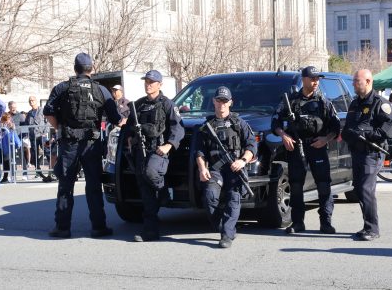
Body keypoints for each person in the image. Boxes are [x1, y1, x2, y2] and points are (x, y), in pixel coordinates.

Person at [43, 52, 126, 238]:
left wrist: (60, 129)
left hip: (69, 144)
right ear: (92, 69)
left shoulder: (62, 88)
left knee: (65, 186)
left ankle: (62, 228)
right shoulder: (101, 90)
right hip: (92, 144)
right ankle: (98, 227)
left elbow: (48, 112)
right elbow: (116, 119)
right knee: (94, 186)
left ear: (75, 68)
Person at [271, 66, 340, 234]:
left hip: (317, 147)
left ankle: (326, 222)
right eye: (313, 78)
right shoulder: (291, 100)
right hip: (296, 147)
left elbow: (336, 125)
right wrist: (283, 135)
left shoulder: (323, 101)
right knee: (295, 186)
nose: (316, 82)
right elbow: (275, 122)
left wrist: (326, 139)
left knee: (324, 185)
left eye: (318, 79)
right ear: (304, 79)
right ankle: (297, 223)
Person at [196, 86, 257, 248]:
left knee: (233, 198)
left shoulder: (239, 123)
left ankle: (227, 235)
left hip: (235, 168)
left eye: (225, 101)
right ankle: (224, 227)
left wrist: (243, 161)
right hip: (215, 169)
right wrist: (202, 168)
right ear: (213, 102)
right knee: (209, 196)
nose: (221, 104)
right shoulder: (206, 126)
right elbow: (199, 151)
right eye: (218, 100)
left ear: (230, 102)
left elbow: (252, 146)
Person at [127, 69, 184, 242]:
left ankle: (163, 190)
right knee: (145, 190)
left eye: (151, 82)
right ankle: (150, 231)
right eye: (146, 81)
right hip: (140, 151)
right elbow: (130, 126)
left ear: (160, 84)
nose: (148, 84)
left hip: (158, 151)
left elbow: (178, 128)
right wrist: (129, 138)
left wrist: (169, 145)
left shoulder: (167, 104)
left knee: (150, 173)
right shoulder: (138, 106)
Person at [341, 69, 392, 241]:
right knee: (359, 189)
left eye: (357, 81)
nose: (354, 84)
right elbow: (348, 126)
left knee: (366, 190)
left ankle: (373, 229)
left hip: (372, 153)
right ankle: (367, 226)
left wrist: (368, 135)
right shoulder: (355, 103)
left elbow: (389, 127)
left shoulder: (380, 103)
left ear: (368, 81)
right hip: (357, 153)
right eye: (354, 81)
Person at [24, 96, 49, 179]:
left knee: (47, 151)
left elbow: (48, 121)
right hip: (33, 137)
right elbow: (27, 124)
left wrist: (45, 133)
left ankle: (52, 170)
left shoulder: (42, 110)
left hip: (42, 136)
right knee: (34, 154)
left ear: (36, 101)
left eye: (33, 100)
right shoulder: (29, 113)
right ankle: (38, 171)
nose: (31, 102)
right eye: (30, 101)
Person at [0, 112, 21, 183]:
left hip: (9, 147)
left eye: (9, 118)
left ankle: (8, 177)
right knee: (3, 162)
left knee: (8, 162)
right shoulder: (0, 125)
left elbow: (13, 135)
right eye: (6, 119)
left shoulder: (11, 126)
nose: (8, 120)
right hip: (2, 146)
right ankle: (4, 177)